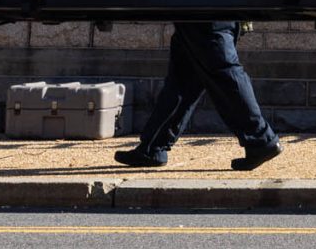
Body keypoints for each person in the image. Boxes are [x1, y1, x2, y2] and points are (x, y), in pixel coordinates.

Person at [114, 20, 283, 171]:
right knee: (183, 80)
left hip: (204, 8)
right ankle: (153, 148)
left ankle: (261, 139)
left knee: (223, 73)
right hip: (201, 8)